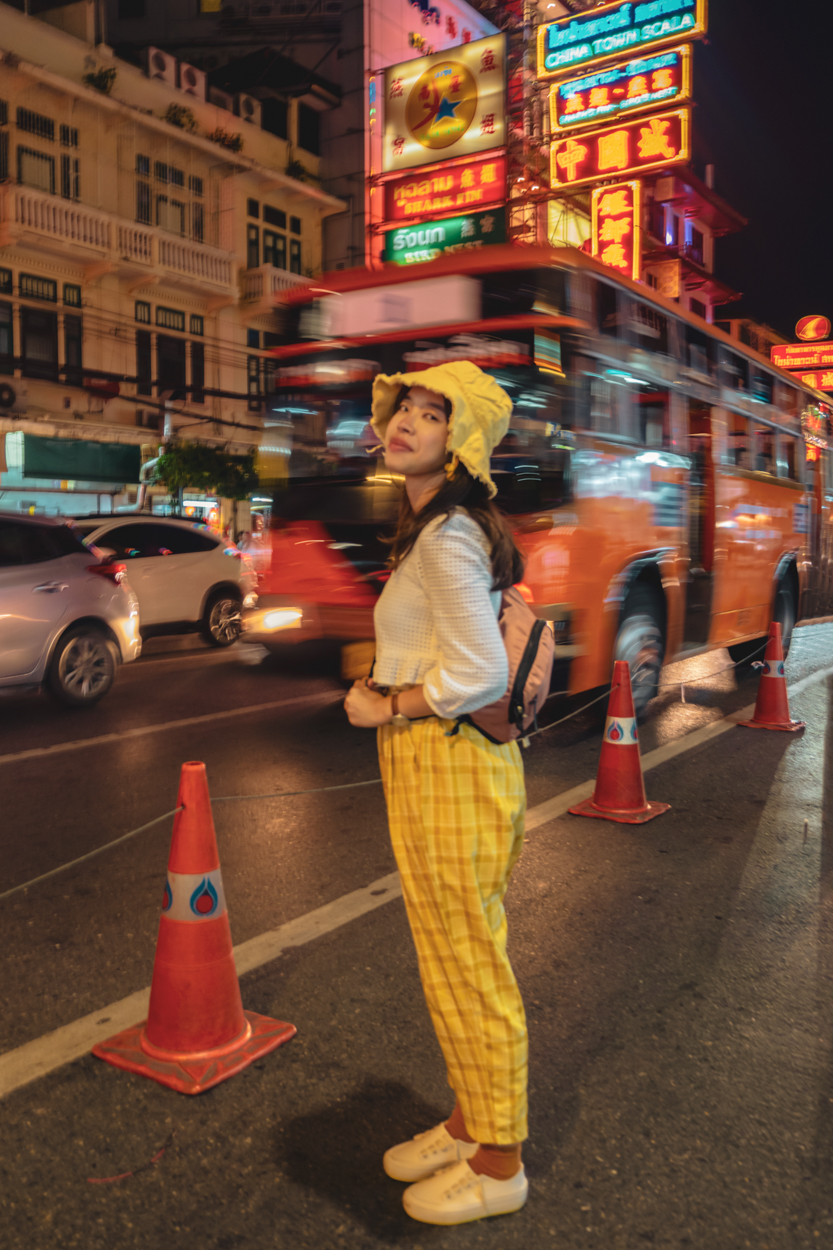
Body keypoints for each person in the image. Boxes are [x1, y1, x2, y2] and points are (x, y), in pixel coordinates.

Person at [344, 361, 529, 1227]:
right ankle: (468, 1121)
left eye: (430, 414)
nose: (406, 423)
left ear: (461, 442)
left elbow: (480, 670)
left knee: (468, 958)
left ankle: (499, 1164)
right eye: (403, 408)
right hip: (428, 762)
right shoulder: (429, 528)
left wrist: (385, 702)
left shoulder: (450, 533)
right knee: (445, 954)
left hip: (450, 757)